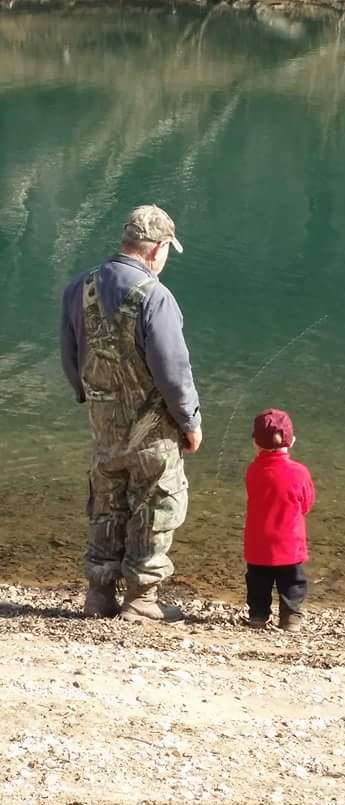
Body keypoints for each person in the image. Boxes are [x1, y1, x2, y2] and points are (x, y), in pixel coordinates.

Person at [61, 204, 202, 623]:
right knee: (156, 502)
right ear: (157, 249)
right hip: (152, 426)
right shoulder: (155, 297)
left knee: (106, 503)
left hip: (103, 421)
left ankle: (99, 595)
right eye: (166, 252)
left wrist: (87, 398)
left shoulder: (78, 288)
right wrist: (190, 420)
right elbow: (173, 369)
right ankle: (141, 599)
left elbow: (69, 356)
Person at [244, 408, 316, 631]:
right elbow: (307, 502)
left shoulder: (253, 470)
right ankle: (290, 617)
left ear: (255, 442)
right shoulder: (299, 472)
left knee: (258, 583)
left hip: (258, 543)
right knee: (292, 583)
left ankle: (258, 615)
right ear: (292, 440)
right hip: (289, 542)